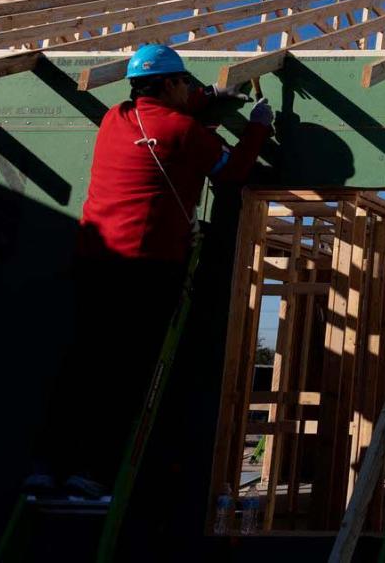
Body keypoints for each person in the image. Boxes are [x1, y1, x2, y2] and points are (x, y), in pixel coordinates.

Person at [29, 43, 273, 498]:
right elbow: (235, 171)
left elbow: (166, 105)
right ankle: (92, 471)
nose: (190, 88)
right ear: (168, 84)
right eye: (184, 81)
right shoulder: (183, 131)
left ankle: (45, 466)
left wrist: (214, 94)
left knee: (81, 364)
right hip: (148, 265)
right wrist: (257, 129)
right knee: (127, 369)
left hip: (94, 260)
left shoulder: (114, 118)